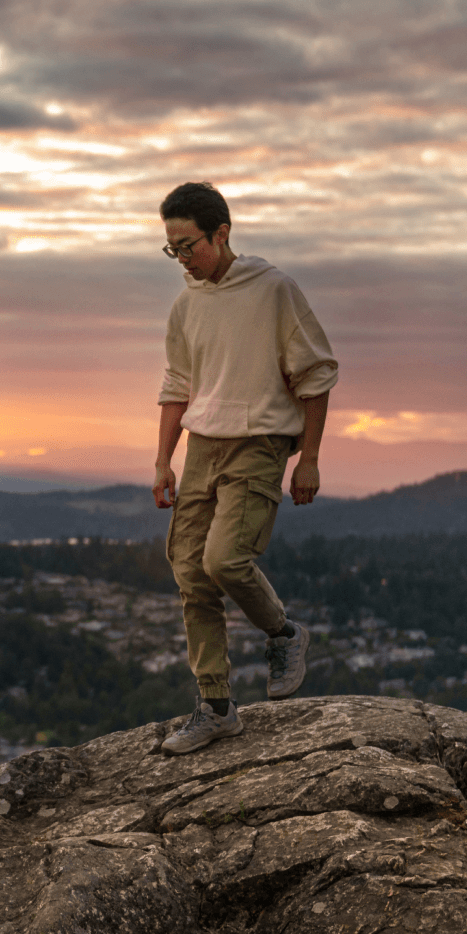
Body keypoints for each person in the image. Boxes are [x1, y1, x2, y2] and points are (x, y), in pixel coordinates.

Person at [153, 182, 338, 755]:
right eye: (172, 249)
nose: (182, 259)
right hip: (203, 445)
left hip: (261, 443)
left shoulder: (274, 289)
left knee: (224, 560)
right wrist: (163, 460)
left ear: (222, 233)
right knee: (189, 570)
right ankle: (215, 706)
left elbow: (317, 374)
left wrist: (309, 458)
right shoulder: (186, 304)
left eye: (189, 246)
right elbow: (177, 386)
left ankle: (284, 634)